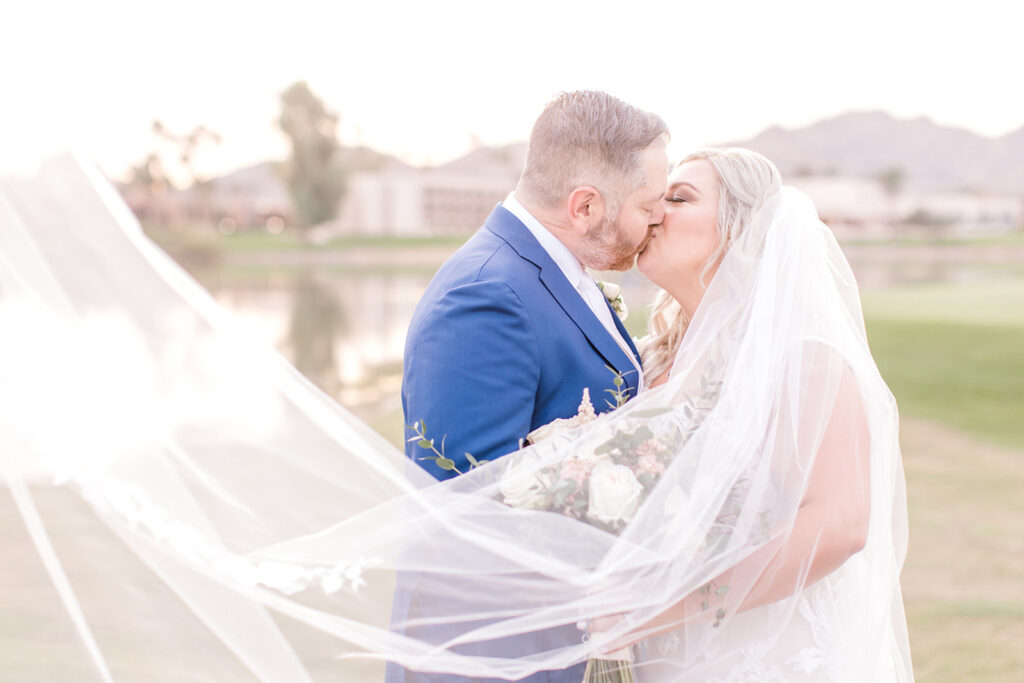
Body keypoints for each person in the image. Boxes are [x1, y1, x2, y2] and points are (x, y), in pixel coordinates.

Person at [0, 145, 911, 681]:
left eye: (680, 196)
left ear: (745, 229)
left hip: (759, 651)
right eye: (654, 194)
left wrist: (664, 599)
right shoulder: (674, 357)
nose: (652, 213)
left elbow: (840, 522)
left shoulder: (802, 351)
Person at [390, 90, 669, 682]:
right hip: (497, 661)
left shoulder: (559, 272)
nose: (658, 219)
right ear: (586, 206)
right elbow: (470, 517)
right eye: (648, 205)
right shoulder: (486, 296)